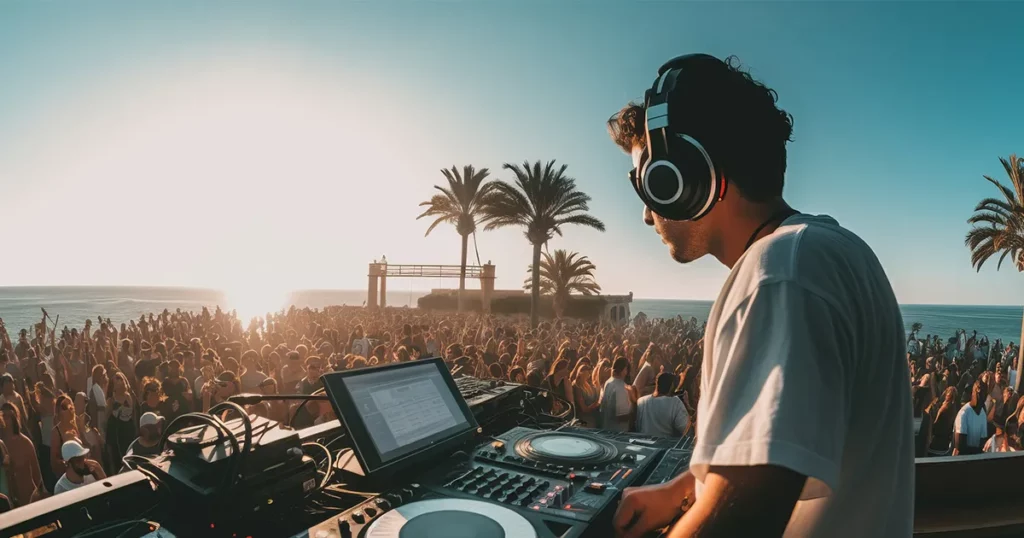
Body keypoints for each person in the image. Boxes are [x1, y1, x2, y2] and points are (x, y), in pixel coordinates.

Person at [608, 54, 913, 538]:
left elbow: (742, 520)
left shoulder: (781, 275)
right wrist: (687, 488)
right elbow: (787, 449)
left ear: (685, 174)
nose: (647, 214)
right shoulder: (825, 249)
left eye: (647, 181)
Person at [635, 373, 690, 438]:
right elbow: (686, 430)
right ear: (672, 386)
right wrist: (687, 405)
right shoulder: (675, 402)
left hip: (642, 444)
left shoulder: (641, 401)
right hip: (665, 446)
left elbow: (637, 426)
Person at [599, 358, 632, 432]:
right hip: (618, 433)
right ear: (624, 370)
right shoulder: (621, 388)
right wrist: (635, 412)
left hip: (607, 428)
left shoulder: (608, 382)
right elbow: (620, 416)